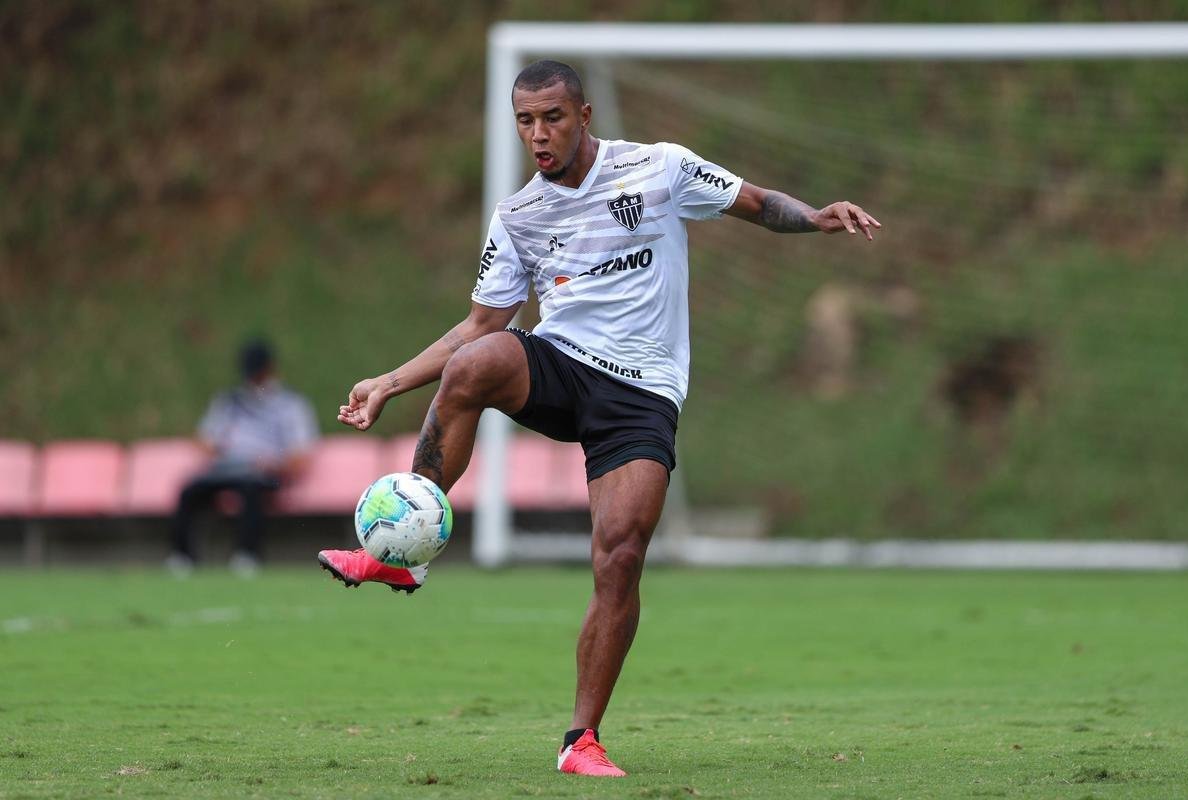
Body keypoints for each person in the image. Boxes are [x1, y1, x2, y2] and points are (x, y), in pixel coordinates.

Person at [316, 60, 881, 776]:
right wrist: (388, 383)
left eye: (552, 117)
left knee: (619, 557)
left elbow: (758, 201)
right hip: (560, 364)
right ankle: (403, 550)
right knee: (478, 363)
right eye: (525, 121)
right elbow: (480, 324)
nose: (538, 134)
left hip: (641, 394)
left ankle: (580, 741)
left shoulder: (659, 169)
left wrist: (816, 218)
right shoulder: (519, 214)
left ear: (584, 116)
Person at [167, 339, 318, 576]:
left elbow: (301, 453)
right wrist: (222, 453)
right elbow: (205, 440)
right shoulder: (229, 401)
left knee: (249, 488)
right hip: (229, 467)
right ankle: (182, 557)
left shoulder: (290, 404)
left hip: (267, 472)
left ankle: (247, 556)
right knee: (190, 490)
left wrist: (274, 464)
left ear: (270, 369)